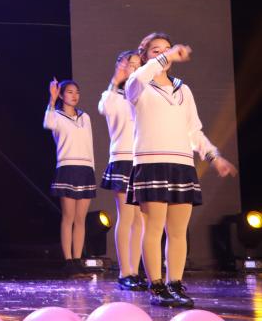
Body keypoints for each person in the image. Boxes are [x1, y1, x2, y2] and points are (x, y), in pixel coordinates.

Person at [125, 32, 236, 308]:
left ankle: (174, 283)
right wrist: (166, 56)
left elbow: (193, 131)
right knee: (153, 228)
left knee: (177, 231)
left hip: (181, 165)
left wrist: (214, 157)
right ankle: (156, 285)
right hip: (151, 163)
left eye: (167, 49)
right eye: (156, 50)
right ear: (144, 56)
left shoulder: (183, 90)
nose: (164, 54)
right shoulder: (138, 84)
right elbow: (137, 80)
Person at [97, 50, 146, 290]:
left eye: (137, 64)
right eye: (129, 64)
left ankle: (134, 271)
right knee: (126, 216)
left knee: (140, 220)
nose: (133, 68)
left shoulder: (143, 95)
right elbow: (103, 108)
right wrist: (116, 80)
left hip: (142, 160)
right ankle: (124, 271)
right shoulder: (112, 95)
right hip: (123, 159)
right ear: (120, 66)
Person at [44, 78, 96, 271]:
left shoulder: (85, 117)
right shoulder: (56, 116)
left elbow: (90, 145)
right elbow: (47, 124)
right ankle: (68, 261)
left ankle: (77, 260)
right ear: (62, 95)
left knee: (81, 219)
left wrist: (92, 169)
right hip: (67, 168)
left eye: (77, 92)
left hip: (85, 169)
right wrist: (51, 99)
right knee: (69, 216)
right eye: (70, 92)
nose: (75, 96)